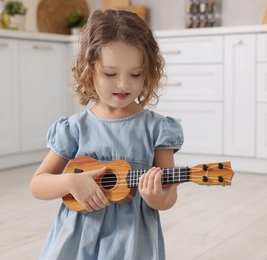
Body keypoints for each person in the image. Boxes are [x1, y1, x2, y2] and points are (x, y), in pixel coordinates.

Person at [30, 9, 184, 260]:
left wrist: (156, 197)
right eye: (110, 74)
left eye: (135, 74)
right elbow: (38, 185)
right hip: (76, 239)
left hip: (131, 240)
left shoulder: (157, 130)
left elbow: (168, 197)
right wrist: (69, 182)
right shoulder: (74, 128)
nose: (123, 84)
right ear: (89, 70)